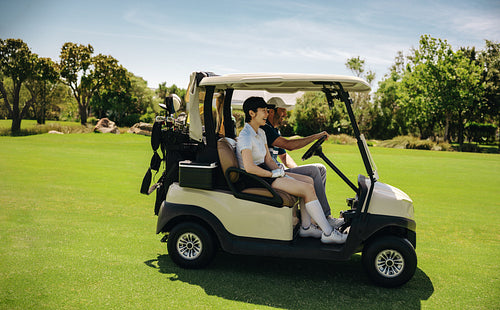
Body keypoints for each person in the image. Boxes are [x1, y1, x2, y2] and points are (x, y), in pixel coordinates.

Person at [236, 96, 347, 244]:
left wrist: (281, 173)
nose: (266, 114)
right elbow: (249, 167)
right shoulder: (245, 136)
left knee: (308, 181)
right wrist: (273, 174)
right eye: (263, 111)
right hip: (256, 179)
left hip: (266, 174)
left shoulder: (260, 133)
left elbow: (268, 160)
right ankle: (328, 232)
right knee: (306, 189)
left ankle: (306, 228)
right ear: (251, 113)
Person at [262, 97, 343, 228]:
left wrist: (297, 170)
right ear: (271, 111)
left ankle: (317, 216)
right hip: (272, 173)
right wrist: (316, 136)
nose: (285, 114)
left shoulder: (274, 130)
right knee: (314, 170)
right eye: (282, 110)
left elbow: (284, 156)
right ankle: (325, 218)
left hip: (279, 170)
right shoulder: (266, 129)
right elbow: (289, 145)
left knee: (320, 168)